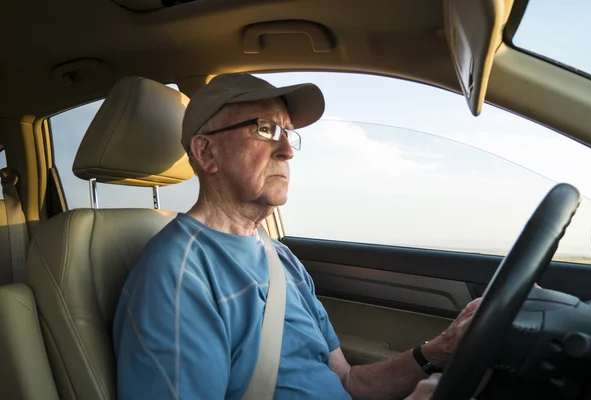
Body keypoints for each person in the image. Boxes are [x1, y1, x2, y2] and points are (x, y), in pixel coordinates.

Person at [112, 73, 481, 400]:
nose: (287, 150)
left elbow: (348, 382)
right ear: (207, 152)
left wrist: (441, 349)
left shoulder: (279, 257)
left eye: (288, 133)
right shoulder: (178, 276)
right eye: (265, 129)